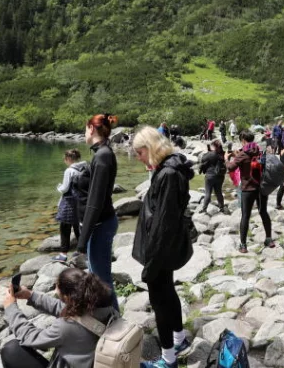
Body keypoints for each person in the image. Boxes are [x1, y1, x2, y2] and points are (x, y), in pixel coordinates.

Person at [131, 127, 194, 368]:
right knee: (168, 292)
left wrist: (151, 264)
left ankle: (168, 359)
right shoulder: (171, 169)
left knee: (159, 300)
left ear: (150, 148)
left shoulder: (167, 174)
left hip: (161, 251)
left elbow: (162, 225)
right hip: (166, 249)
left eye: (139, 152)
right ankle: (179, 340)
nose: (138, 157)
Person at [1, 268, 116, 368]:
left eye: (57, 288)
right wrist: (31, 295)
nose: (56, 290)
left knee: (11, 350)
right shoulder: (108, 310)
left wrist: (11, 308)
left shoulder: (65, 327)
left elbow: (30, 337)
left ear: (68, 297)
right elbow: (64, 309)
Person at [76, 114, 120, 313]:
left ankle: (117, 323)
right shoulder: (102, 154)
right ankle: (108, 319)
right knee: (98, 277)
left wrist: (82, 241)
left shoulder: (102, 156)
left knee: (101, 280)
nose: (84, 134)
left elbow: (95, 202)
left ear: (91, 129)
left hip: (100, 225)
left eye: (85, 129)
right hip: (100, 223)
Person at [226, 132, 275, 252]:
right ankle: (269, 239)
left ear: (243, 140)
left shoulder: (243, 154)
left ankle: (243, 245)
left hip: (248, 189)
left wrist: (226, 159)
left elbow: (230, 167)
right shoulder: (260, 151)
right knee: (263, 212)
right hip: (261, 188)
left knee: (245, 216)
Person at [53, 149, 88, 263]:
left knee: (64, 227)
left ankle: (63, 254)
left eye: (65, 159)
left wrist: (59, 187)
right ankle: (82, 250)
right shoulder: (84, 167)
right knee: (78, 226)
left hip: (69, 202)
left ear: (68, 159)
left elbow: (65, 188)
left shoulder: (70, 170)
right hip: (81, 201)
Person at [198, 141, 227, 213]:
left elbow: (202, 160)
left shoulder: (209, 154)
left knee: (208, 193)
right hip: (220, 176)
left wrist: (206, 151)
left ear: (213, 146)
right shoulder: (222, 154)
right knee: (219, 192)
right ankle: (222, 208)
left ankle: (204, 209)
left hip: (209, 176)